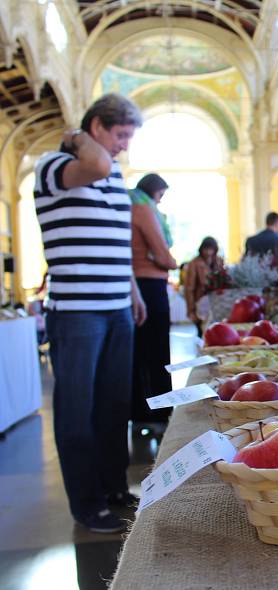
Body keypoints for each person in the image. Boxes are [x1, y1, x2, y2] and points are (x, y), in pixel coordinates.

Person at [34, 93, 145, 533]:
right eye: (120, 135)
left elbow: (114, 239)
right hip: (77, 311)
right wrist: (75, 135)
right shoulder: (53, 166)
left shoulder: (113, 172)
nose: (123, 147)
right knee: (77, 410)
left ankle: (115, 487)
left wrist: (131, 288)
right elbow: (95, 163)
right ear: (96, 126)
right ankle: (87, 502)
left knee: (115, 407)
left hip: (117, 306)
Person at [129, 173, 177, 430]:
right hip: (150, 285)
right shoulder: (143, 209)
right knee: (157, 353)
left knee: (138, 354)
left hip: (134, 285)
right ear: (153, 192)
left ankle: (138, 413)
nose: (159, 203)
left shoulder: (126, 204)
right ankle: (159, 415)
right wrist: (171, 262)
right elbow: (163, 255)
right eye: (160, 196)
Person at [185, 236, 224, 336]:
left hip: (216, 303)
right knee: (202, 332)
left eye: (211, 249)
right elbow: (189, 288)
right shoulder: (194, 263)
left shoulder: (219, 261)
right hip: (200, 303)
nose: (208, 252)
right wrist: (191, 310)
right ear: (201, 249)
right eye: (206, 249)